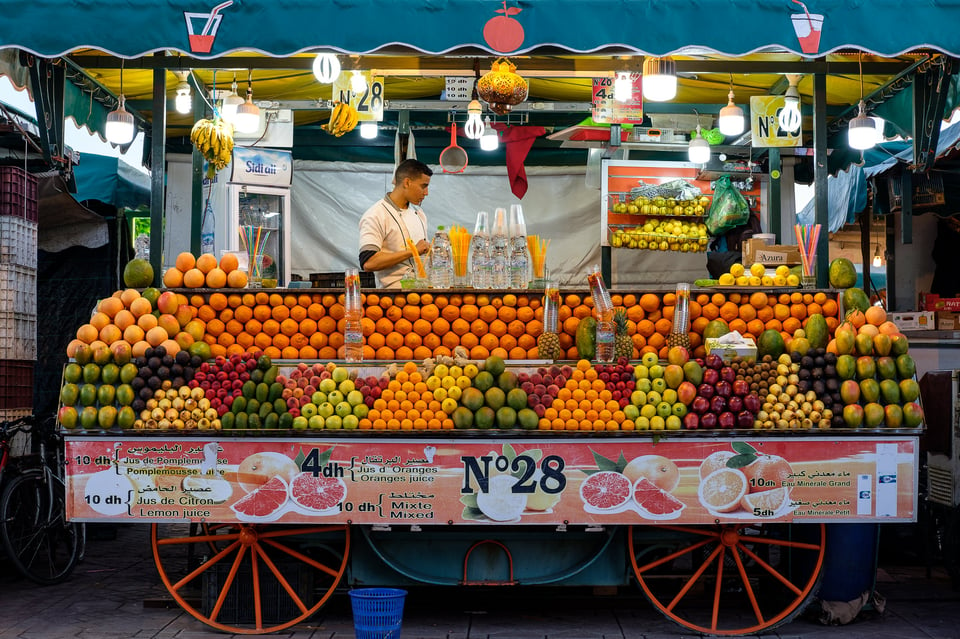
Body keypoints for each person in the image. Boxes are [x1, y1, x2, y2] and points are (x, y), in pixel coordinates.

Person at [358, 159, 433, 289]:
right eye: (423, 186)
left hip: (423, 292)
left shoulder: (419, 214)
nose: (426, 193)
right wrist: (413, 251)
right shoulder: (375, 215)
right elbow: (369, 263)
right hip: (393, 297)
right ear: (407, 182)